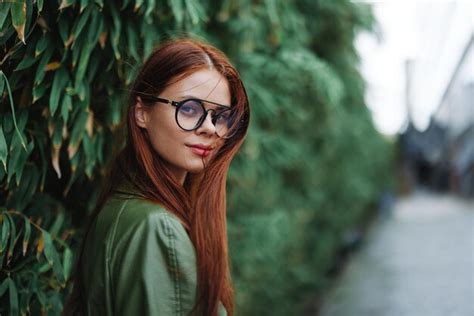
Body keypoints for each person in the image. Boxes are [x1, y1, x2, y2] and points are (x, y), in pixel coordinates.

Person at [62, 38, 250, 316]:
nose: (210, 128)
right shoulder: (157, 227)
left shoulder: (126, 207)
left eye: (220, 116)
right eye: (189, 109)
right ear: (142, 113)